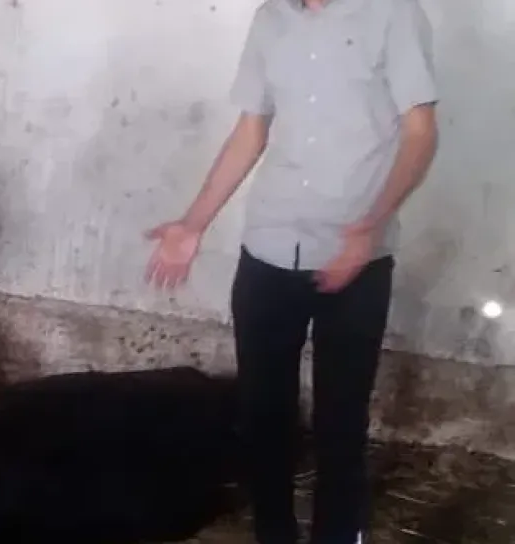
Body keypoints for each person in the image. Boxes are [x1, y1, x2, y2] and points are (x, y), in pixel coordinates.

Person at [144, 0, 439, 542]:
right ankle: (273, 533)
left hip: (356, 255)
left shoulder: (393, 14)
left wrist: (373, 224)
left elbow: (420, 132)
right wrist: (194, 223)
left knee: (340, 422)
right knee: (262, 415)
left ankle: (337, 534)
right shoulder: (270, 18)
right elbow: (250, 130)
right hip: (269, 244)